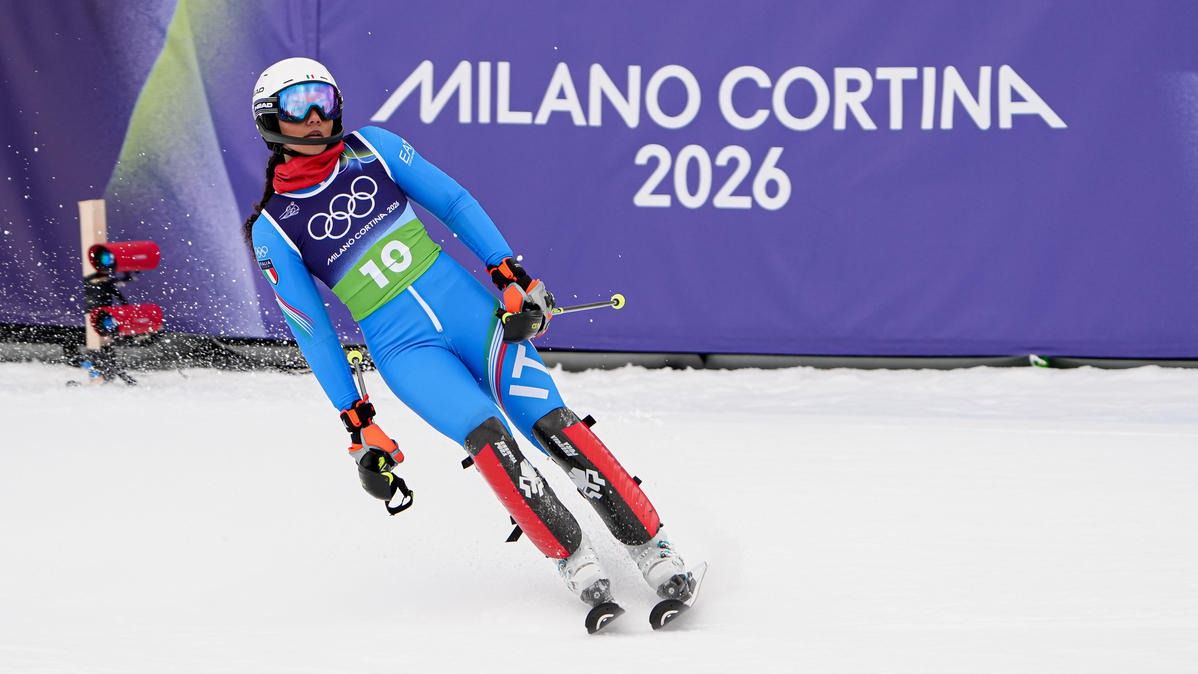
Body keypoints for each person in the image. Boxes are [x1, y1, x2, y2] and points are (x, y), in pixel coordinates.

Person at [243, 57, 695, 623]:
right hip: (407, 353)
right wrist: (358, 425)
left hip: (472, 317)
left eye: (323, 99)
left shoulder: (374, 148)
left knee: (552, 424)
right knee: (488, 439)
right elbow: (312, 332)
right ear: (271, 120)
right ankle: (574, 559)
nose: (314, 115)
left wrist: (509, 274)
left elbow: (454, 202)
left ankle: (654, 549)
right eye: (297, 105)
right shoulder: (273, 229)